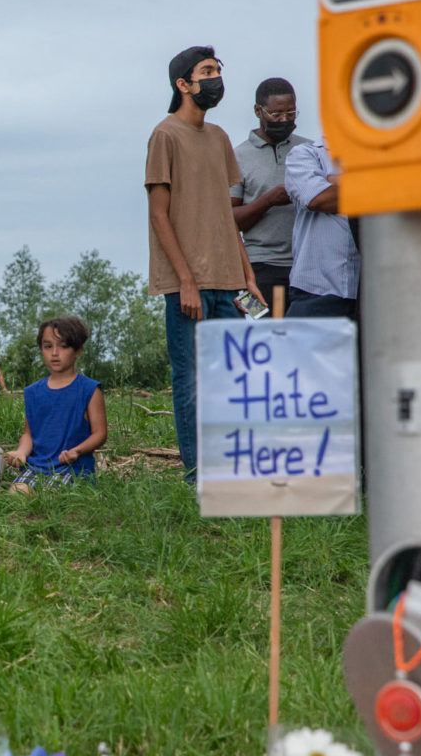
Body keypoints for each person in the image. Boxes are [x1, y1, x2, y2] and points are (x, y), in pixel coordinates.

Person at [146, 45, 265, 481]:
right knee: (191, 380)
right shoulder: (165, 135)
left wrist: (249, 276)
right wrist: (186, 281)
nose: (216, 78)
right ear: (184, 84)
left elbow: (225, 214)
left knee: (238, 377)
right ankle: (199, 473)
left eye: (218, 70)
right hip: (187, 286)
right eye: (207, 71)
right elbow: (159, 214)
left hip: (232, 282)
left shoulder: (218, 139)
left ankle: (235, 465)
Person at [5, 317, 107, 493]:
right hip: (36, 467)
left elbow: (100, 434)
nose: (54, 353)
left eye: (63, 346)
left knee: (51, 494)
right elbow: (29, 434)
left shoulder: (89, 390)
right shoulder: (33, 392)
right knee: (16, 492)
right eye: (48, 346)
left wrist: (77, 450)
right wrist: (21, 452)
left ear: (78, 351)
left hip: (73, 468)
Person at [231, 78, 309, 298]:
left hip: (308, 266)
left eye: (291, 114)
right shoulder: (236, 157)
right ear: (258, 111)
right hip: (258, 267)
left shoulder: (310, 151)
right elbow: (230, 220)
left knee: (303, 331)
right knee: (261, 330)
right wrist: (270, 200)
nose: (284, 120)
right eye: (276, 115)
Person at [285, 140, 361, 319]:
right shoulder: (306, 154)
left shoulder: (380, 158)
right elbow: (318, 199)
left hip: (370, 295)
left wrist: (337, 182)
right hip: (316, 292)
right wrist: (376, 186)